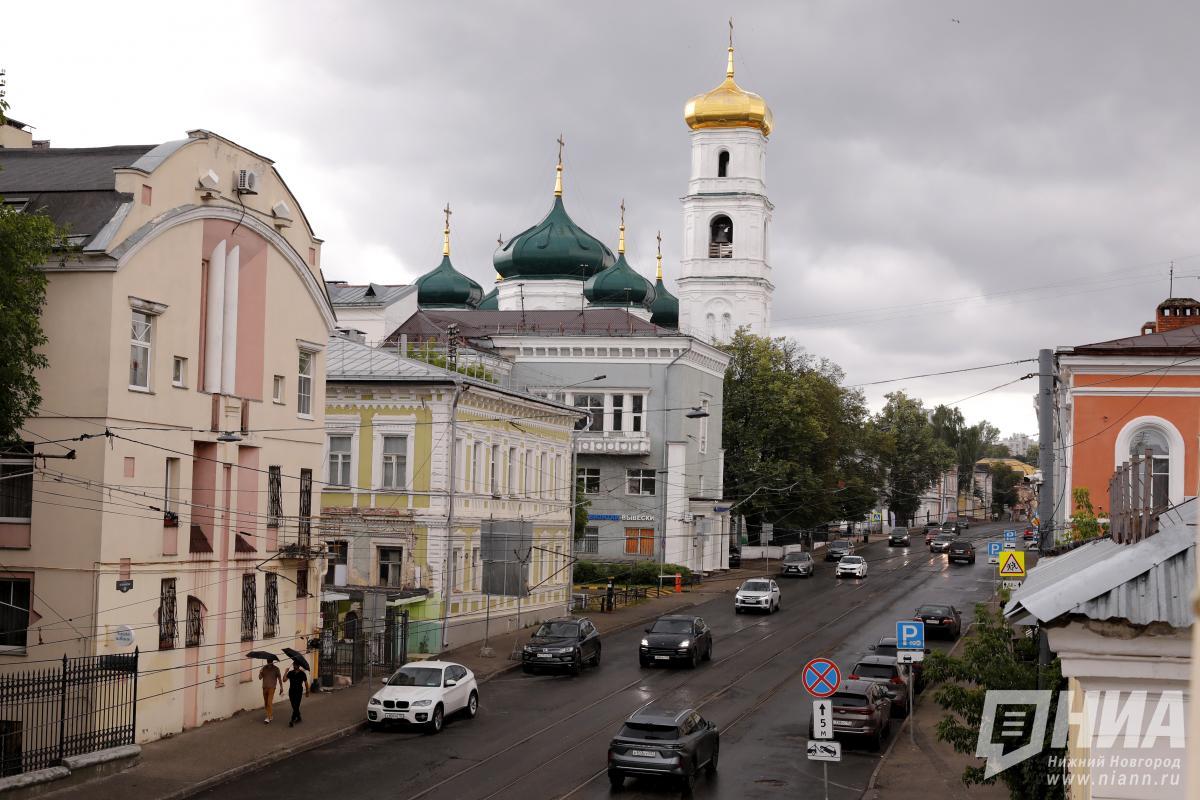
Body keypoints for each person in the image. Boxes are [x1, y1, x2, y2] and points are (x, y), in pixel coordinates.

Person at [284, 662, 309, 727]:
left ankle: (292, 720)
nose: (294, 666)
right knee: (294, 706)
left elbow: (306, 683)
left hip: (299, 691)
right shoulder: (290, 673)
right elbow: (284, 680)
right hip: (291, 691)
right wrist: (286, 672)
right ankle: (299, 717)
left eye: (296, 665)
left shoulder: (302, 673)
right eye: (294, 665)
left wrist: (307, 691)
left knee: (296, 706)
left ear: (299, 665)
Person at [258, 659, 282, 724]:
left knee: (269, 702)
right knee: (266, 703)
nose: (269, 662)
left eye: (270, 661)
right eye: (268, 661)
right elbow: (260, 678)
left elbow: (279, 678)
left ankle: (268, 717)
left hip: (272, 687)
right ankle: (270, 715)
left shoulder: (276, 669)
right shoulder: (264, 668)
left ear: (272, 661)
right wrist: (260, 672)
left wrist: (281, 687)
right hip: (264, 687)